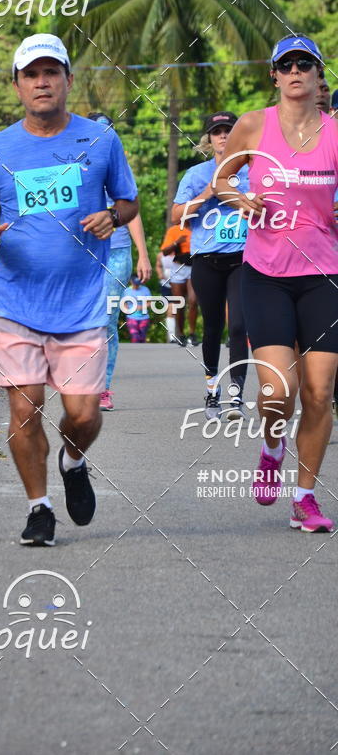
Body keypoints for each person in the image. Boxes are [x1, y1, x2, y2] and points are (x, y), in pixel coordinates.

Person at [0, 33, 138, 546]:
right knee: (24, 407)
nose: (42, 82)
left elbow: (128, 201)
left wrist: (111, 215)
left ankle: (73, 459)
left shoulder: (100, 140)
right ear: (17, 85)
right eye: (31, 74)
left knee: (82, 414)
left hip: (80, 303)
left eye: (51, 72)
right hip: (14, 299)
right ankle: (39, 508)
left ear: (67, 81)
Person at [215, 34, 338, 532]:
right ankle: (271, 447)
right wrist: (235, 197)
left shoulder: (334, 132)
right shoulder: (252, 125)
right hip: (265, 272)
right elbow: (222, 180)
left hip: (324, 275)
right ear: (274, 75)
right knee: (276, 390)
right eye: (285, 65)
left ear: (317, 75)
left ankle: (304, 497)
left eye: (304, 64)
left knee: (319, 390)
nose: (295, 72)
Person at [172, 112, 249, 420]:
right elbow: (177, 214)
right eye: (217, 132)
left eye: (228, 130)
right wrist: (207, 194)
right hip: (206, 261)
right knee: (212, 327)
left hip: (243, 259)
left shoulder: (252, 172)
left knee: (240, 326)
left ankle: (237, 397)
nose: (223, 136)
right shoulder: (196, 174)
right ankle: (212, 392)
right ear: (209, 139)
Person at [87, 112, 151, 411]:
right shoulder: (75, 170)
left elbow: (132, 214)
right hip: (82, 256)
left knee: (107, 320)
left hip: (117, 253)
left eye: (107, 132)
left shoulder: (121, 172)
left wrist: (143, 253)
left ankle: (102, 387)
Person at [159, 223, 199, 345]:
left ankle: (192, 334)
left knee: (193, 301)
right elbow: (165, 252)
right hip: (178, 267)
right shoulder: (174, 230)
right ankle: (181, 334)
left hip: (194, 267)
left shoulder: (199, 227)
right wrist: (177, 242)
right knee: (179, 303)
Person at [156, 251, 177, 342]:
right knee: (171, 309)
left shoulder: (182, 253)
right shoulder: (161, 255)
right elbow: (158, 265)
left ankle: (182, 335)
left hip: (180, 284)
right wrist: (160, 273)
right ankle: (172, 336)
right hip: (166, 285)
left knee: (179, 310)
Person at [123, 275, 151, 342]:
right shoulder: (127, 291)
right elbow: (124, 303)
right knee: (135, 336)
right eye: (135, 284)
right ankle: (135, 351)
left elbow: (150, 303)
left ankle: (142, 351)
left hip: (144, 318)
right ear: (131, 282)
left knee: (142, 337)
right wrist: (127, 310)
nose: (136, 286)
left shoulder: (145, 290)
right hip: (131, 318)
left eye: (138, 284)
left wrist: (142, 307)